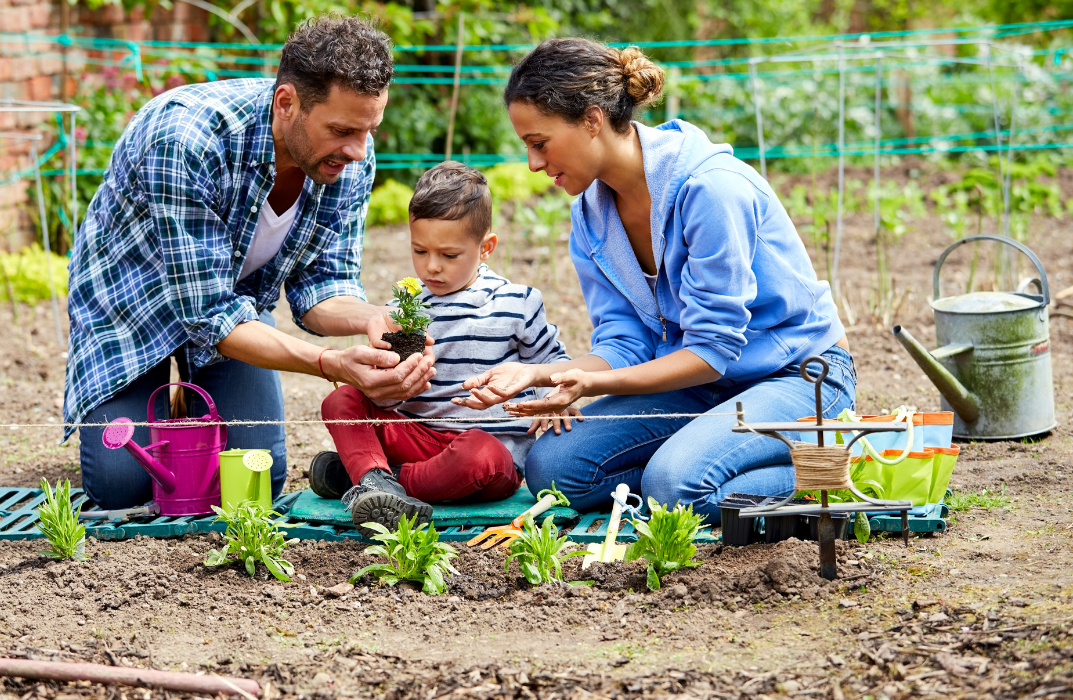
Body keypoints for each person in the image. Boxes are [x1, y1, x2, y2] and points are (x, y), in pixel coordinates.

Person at [456, 38, 855, 522]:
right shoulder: (590, 213)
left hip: (798, 377)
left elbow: (712, 350)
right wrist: (538, 375)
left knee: (673, 487)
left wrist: (592, 383)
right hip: (703, 385)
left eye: (539, 143)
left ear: (592, 119)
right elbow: (624, 341)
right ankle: (704, 458)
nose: (534, 164)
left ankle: (831, 466)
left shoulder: (711, 189)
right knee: (554, 470)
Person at [65, 17, 436, 510]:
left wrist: (372, 320)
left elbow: (324, 284)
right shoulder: (185, 140)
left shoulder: (347, 157)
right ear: (287, 103)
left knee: (259, 474)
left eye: (369, 130)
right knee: (123, 486)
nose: (358, 150)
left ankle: (193, 402)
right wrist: (330, 365)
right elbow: (207, 315)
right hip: (132, 310)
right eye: (343, 130)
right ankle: (170, 403)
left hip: (231, 306)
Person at [309, 162, 578, 535]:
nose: (431, 267)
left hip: (487, 451)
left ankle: (369, 481)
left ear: (486, 248)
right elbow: (386, 393)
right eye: (420, 251)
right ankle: (376, 481)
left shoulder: (517, 302)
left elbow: (554, 360)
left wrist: (555, 395)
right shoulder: (405, 310)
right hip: (418, 435)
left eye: (449, 255)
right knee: (341, 401)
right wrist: (392, 382)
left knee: (478, 455)